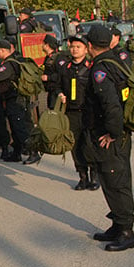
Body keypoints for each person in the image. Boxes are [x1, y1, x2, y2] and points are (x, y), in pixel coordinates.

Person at [84, 24, 134, 251]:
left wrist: (112, 133)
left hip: (112, 137)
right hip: (115, 133)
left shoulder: (101, 70)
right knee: (111, 179)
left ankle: (126, 232)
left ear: (89, 45)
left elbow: (112, 107)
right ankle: (117, 225)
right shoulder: (114, 61)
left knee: (116, 181)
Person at [58, 35, 98, 191]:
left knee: (89, 144)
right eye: (72, 47)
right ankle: (82, 177)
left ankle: (95, 176)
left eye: (78, 47)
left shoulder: (91, 67)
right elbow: (57, 86)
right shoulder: (65, 68)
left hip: (88, 112)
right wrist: (60, 94)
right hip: (71, 112)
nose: (74, 49)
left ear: (86, 49)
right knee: (75, 146)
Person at [41, 34, 62, 108]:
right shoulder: (48, 58)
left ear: (47, 45)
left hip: (56, 91)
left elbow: (61, 74)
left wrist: (48, 77)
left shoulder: (58, 58)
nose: (42, 45)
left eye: (43, 44)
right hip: (50, 90)